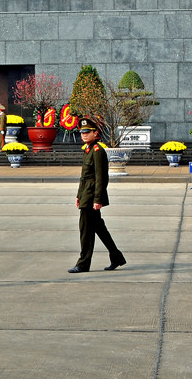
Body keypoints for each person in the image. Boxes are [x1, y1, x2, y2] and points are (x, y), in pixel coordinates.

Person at [68, 117, 126, 274]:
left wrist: (98, 199)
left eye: (87, 132)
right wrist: (78, 195)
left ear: (95, 133)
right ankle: (116, 257)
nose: (84, 135)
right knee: (99, 228)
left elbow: (101, 178)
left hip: (92, 198)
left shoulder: (98, 151)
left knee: (86, 230)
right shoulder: (88, 150)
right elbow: (84, 177)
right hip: (86, 196)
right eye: (82, 132)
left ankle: (83, 263)